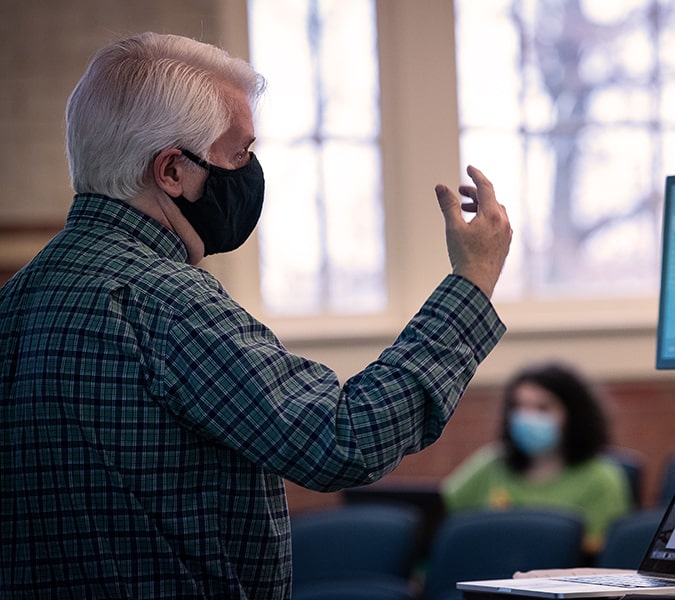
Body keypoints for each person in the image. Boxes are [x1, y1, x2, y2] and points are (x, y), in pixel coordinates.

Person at [0, 32, 512, 598]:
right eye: (238, 153)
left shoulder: (17, 298)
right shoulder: (164, 301)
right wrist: (472, 282)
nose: (249, 170)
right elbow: (342, 439)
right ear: (171, 171)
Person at [442, 362, 630, 558]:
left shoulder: (601, 479)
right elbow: (439, 515)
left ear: (575, 415)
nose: (527, 417)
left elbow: (602, 557)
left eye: (542, 408)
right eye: (519, 407)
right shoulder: (491, 465)